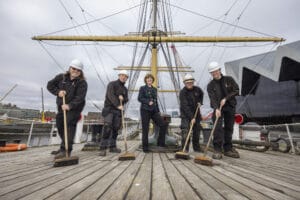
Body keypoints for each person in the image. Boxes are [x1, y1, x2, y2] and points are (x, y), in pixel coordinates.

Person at [47, 59, 88, 159]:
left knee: (69, 125)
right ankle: (63, 146)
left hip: (75, 108)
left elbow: (80, 98)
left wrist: (70, 106)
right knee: (60, 125)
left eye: (78, 70)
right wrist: (58, 92)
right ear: (70, 68)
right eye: (74, 68)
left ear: (80, 72)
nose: (76, 71)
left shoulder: (82, 83)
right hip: (61, 107)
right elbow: (50, 85)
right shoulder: (61, 77)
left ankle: (66, 150)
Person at [207, 61, 240, 159]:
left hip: (229, 106)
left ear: (219, 70)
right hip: (218, 109)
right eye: (212, 72)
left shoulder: (229, 80)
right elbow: (212, 98)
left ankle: (228, 148)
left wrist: (226, 98)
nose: (214, 73)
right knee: (217, 128)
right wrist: (216, 109)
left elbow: (236, 90)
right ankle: (217, 149)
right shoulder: (210, 85)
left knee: (229, 127)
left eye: (216, 71)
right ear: (211, 73)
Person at [99, 70, 129, 156]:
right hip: (109, 109)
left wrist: (123, 98)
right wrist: (117, 104)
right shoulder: (111, 84)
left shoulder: (125, 89)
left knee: (116, 128)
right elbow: (110, 95)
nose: (123, 77)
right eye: (122, 75)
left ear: (126, 78)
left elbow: (127, 99)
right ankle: (103, 147)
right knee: (107, 126)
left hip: (118, 111)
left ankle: (112, 146)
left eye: (125, 76)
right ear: (119, 75)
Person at [138, 73, 166, 152]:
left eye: (150, 79)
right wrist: (147, 102)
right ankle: (145, 147)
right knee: (145, 129)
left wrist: (158, 111)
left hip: (154, 111)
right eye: (148, 79)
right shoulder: (142, 88)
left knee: (163, 124)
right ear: (146, 80)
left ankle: (160, 143)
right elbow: (140, 98)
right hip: (145, 110)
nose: (149, 80)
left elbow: (156, 101)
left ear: (152, 80)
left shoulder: (154, 89)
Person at [179, 74, 204, 152]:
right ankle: (185, 149)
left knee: (197, 131)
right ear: (185, 83)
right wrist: (191, 117)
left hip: (196, 114)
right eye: (188, 83)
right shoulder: (183, 92)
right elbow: (185, 106)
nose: (189, 84)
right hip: (186, 115)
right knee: (186, 132)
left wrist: (200, 102)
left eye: (191, 82)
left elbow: (202, 94)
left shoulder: (198, 90)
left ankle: (196, 148)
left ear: (193, 82)